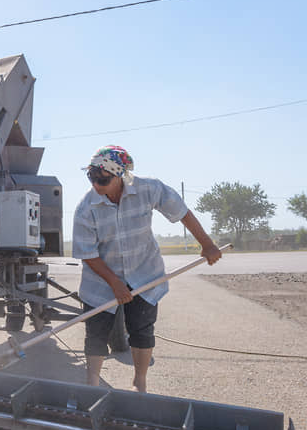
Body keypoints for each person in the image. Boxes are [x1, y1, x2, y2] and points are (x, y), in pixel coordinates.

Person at [71, 145, 222, 393]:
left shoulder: (149, 188)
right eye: (92, 178)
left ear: (120, 175)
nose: (96, 185)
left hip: (144, 272)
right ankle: (93, 385)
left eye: (103, 180)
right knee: (96, 332)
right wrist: (114, 283)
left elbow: (181, 212)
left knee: (141, 329)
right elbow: (88, 254)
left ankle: (139, 380)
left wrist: (206, 244)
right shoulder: (85, 209)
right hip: (100, 279)